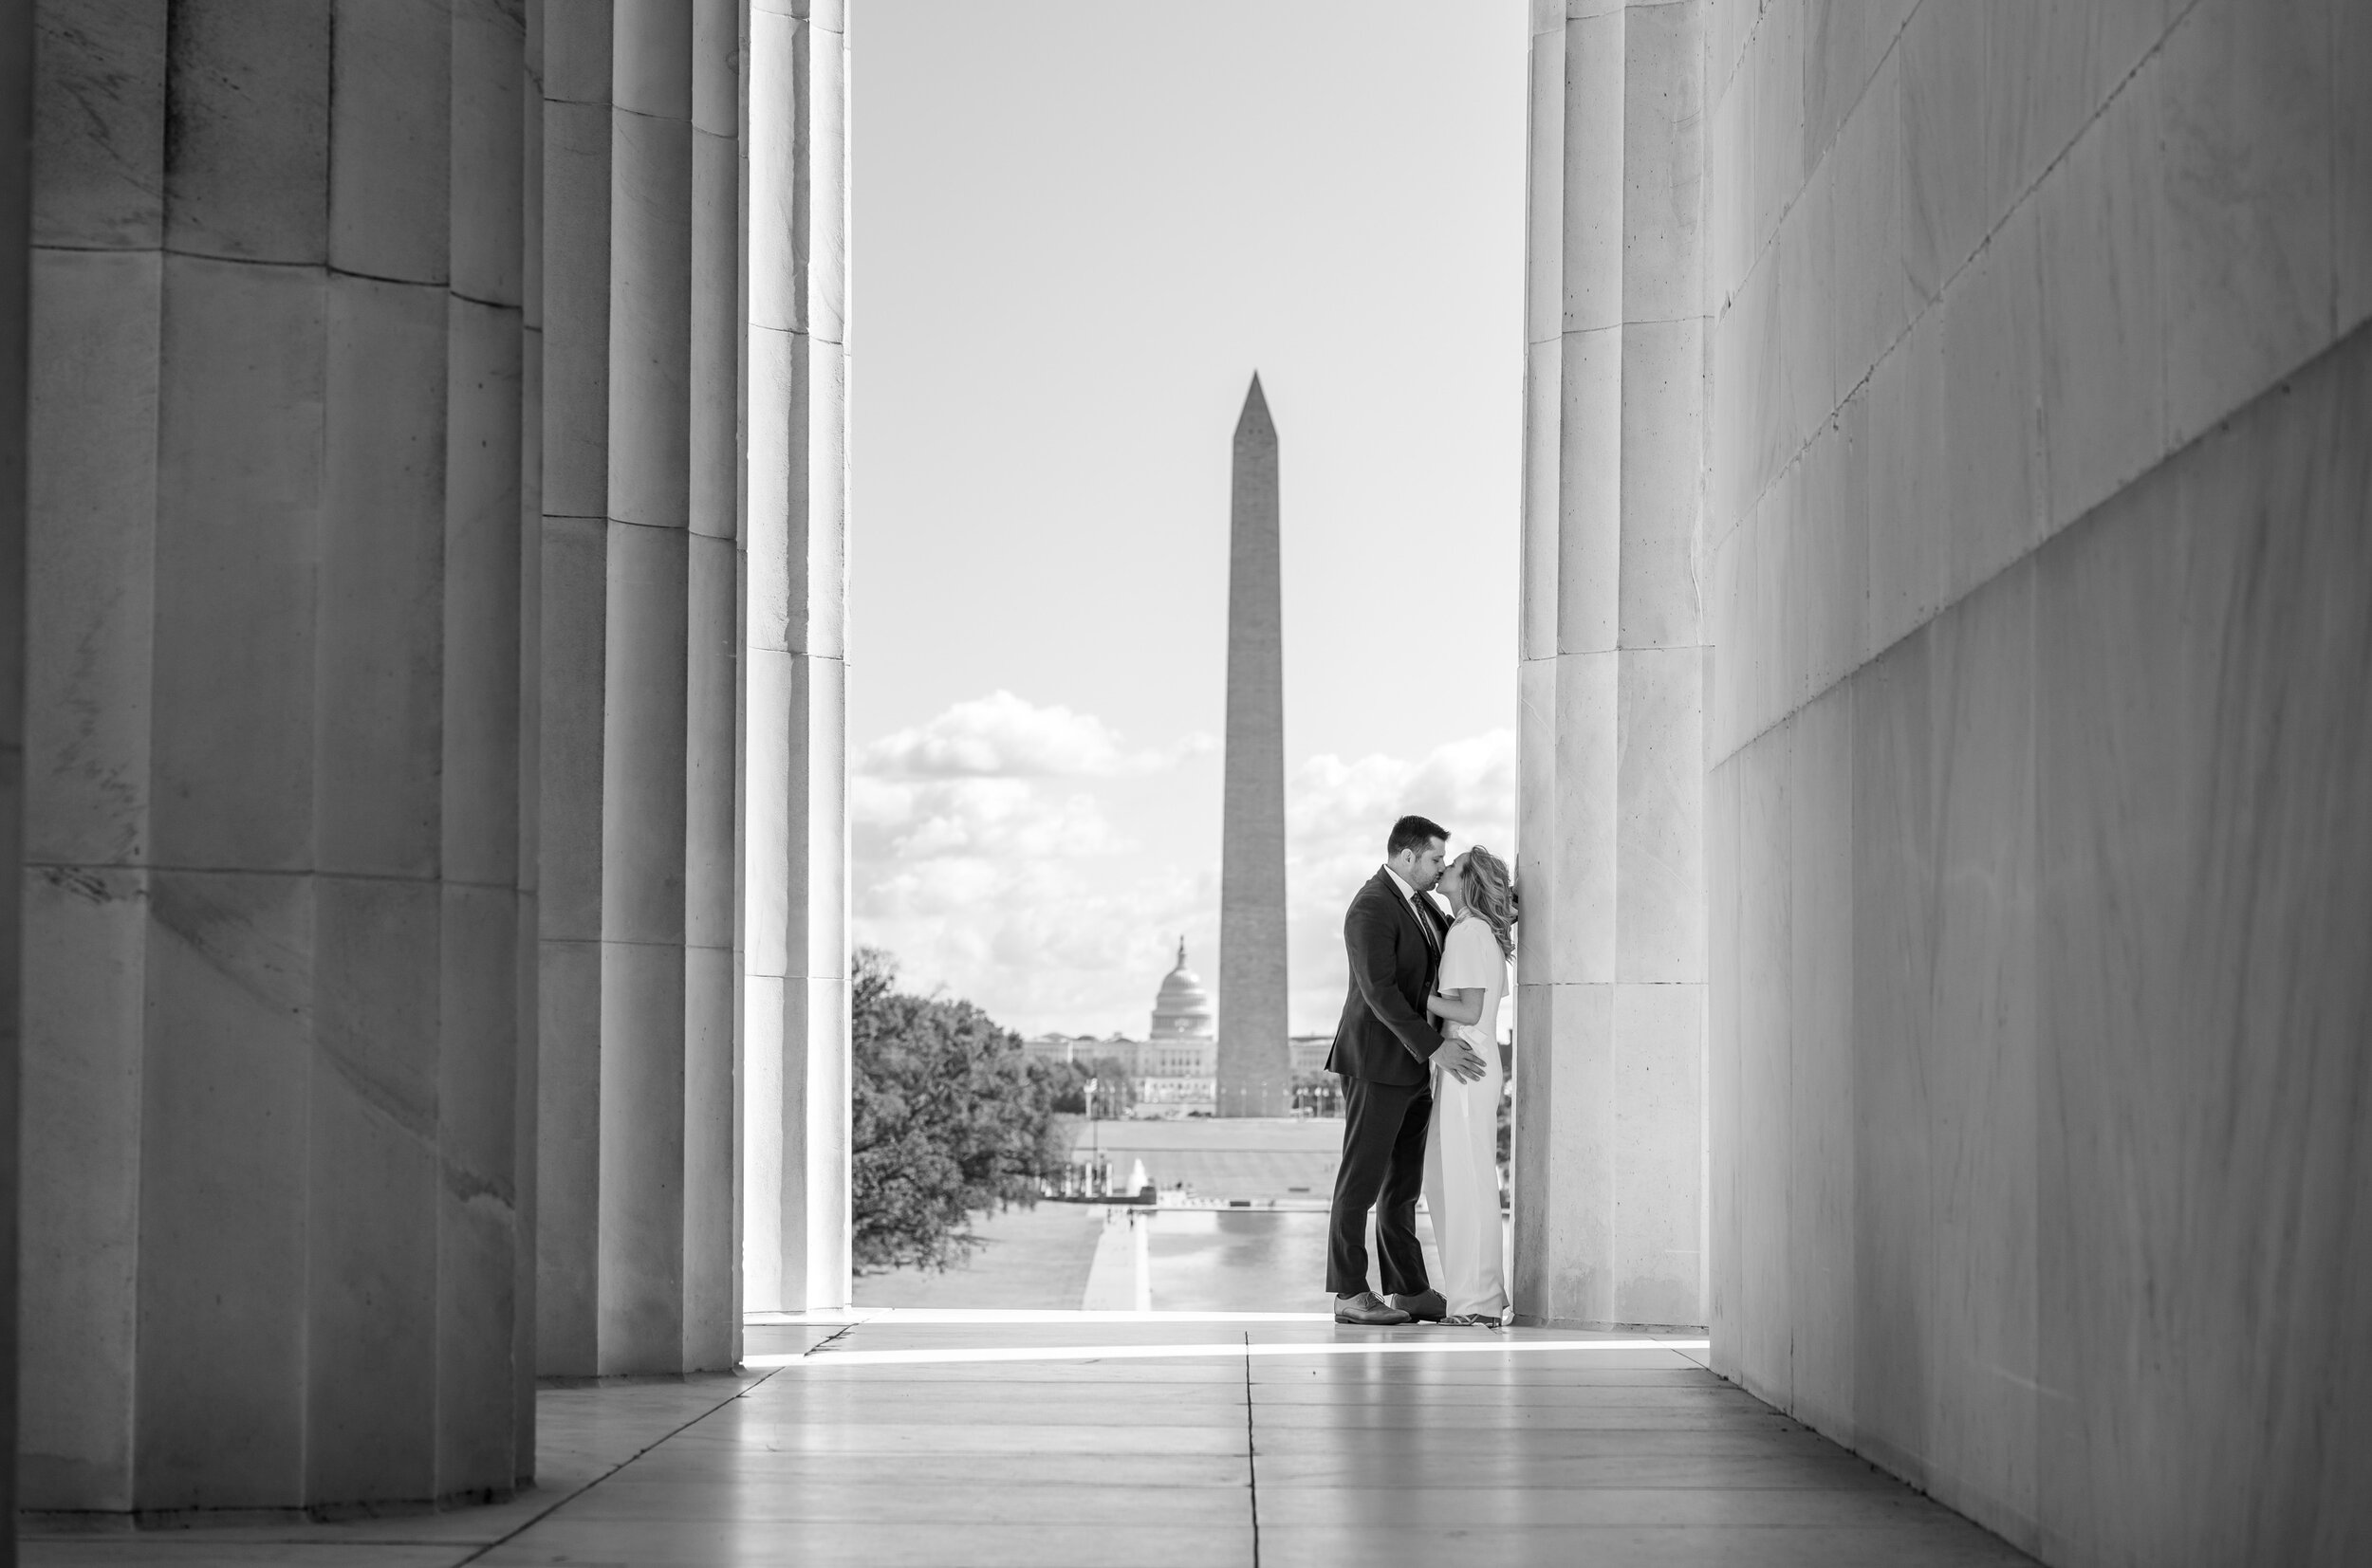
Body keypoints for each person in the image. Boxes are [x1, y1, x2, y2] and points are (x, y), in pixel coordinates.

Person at [1324, 815, 1489, 1326]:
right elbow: (1380, 994)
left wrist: (1502, 897)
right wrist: (1433, 1049)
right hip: (1377, 1065)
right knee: (1361, 1184)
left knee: (1401, 1189)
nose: (1441, 870)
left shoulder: (1425, 908)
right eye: (1437, 859)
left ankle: (1409, 1290)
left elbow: (1453, 949)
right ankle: (1350, 1295)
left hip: (1414, 1068)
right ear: (1408, 856)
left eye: (1446, 862)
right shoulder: (1371, 906)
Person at [1422, 845, 1515, 1326]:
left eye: (1452, 866)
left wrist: (1420, 996)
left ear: (1469, 881)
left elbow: (1469, 1010)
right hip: (1466, 1065)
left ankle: (1476, 1303)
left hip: (1466, 1065)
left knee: (1465, 1181)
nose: (1443, 870)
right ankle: (1477, 1297)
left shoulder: (1468, 931)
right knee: (1450, 1178)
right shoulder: (1473, 931)